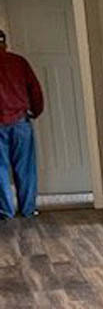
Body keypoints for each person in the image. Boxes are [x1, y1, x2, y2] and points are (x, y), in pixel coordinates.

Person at [0, 28, 44, 218]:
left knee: (0, 169)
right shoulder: (19, 62)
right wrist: (36, 111)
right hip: (20, 121)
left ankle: (5, 211)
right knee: (25, 167)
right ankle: (28, 209)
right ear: (5, 43)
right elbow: (35, 90)